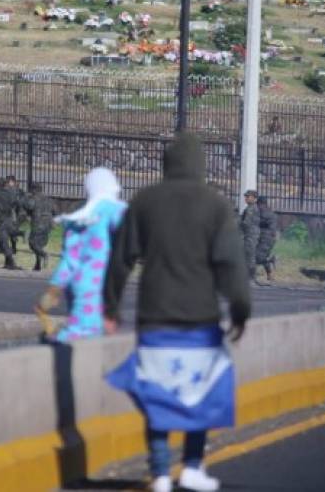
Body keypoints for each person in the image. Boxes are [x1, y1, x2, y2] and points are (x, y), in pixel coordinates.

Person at [104, 133, 252, 492]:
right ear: (200, 165)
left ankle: (158, 475)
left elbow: (121, 259)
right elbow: (230, 263)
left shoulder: (145, 201)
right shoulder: (214, 204)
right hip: (200, 319)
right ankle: (192, 466)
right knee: (197, 393)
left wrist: (110, 307)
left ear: (166, 164)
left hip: (154, 316)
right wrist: (240, 310)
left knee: (158, 394)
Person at [37, 168, 126, 341]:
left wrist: (53, 291)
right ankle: (57, 350)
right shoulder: (113, 210)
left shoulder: (77, 220)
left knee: (80, 328)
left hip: (76, 285)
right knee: (85, 335)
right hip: (98, 284)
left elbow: (69, 262)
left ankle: (57, 345)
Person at [23, 183, 54, 271]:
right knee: (39, 244)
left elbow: (29, 206)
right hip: (47, 224)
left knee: (32, 243)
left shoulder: (34, 198)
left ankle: (44, 254)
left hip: (38, 223)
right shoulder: (48, 199)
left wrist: (26, 198)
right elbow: (55, 210)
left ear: (34, 190)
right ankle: (38, 265)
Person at [0, 177, 21, 270]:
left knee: (3, 242)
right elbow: (16, 203)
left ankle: (11, 262)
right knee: (4, 240)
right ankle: (8, 262)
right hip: (9, 219)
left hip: (1, 221)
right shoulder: (10, 193)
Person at [255, 196, 278, 282]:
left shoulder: (268, 214)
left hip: (267, 239)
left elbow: (271, 230)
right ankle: (269, 274)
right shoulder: (261, 212)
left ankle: (271, 260)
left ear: (262, 204)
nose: (258, 206)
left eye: (259, 204)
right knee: (258, 256)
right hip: (261, 238)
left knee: (258, 257)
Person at [240, 190, 261, 281]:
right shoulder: (249, 208)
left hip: (250, 235)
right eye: (246, 197)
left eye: (248, 197)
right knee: (247, 254)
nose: (246, 198)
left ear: (255, 199)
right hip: (250, 234)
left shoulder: (251, 209)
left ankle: (251, 276)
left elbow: (246, 223)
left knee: (249, 255)